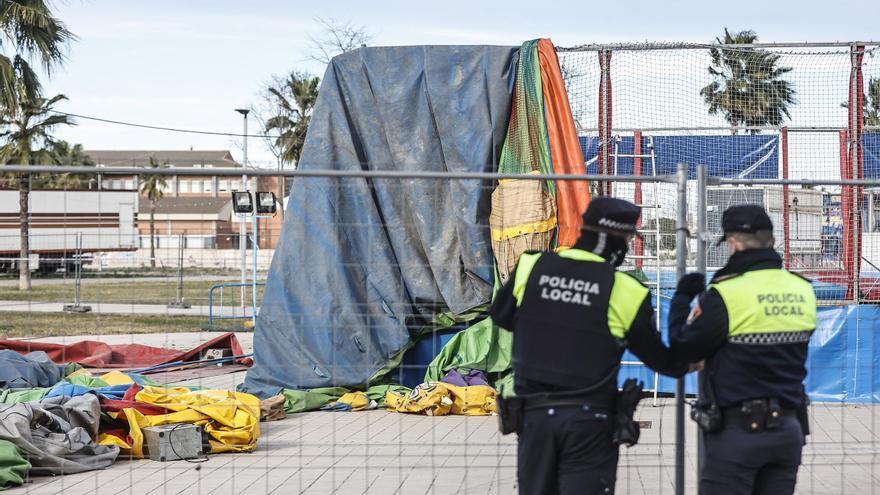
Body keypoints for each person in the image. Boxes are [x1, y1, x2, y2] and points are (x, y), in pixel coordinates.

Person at [490, 197, 688, 495]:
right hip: (590, 424)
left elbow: (501, 316)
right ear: (620, 241)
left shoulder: (532, 265)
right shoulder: (626, 290)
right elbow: (665, 363)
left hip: (535, 419)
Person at [669, 204, 817, 495]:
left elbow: (683, 347)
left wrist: (682, 297)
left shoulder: (726, 293)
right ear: (771, 241)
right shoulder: (803, 289)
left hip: (739, 433)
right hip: (789, 430)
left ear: (733, 243)